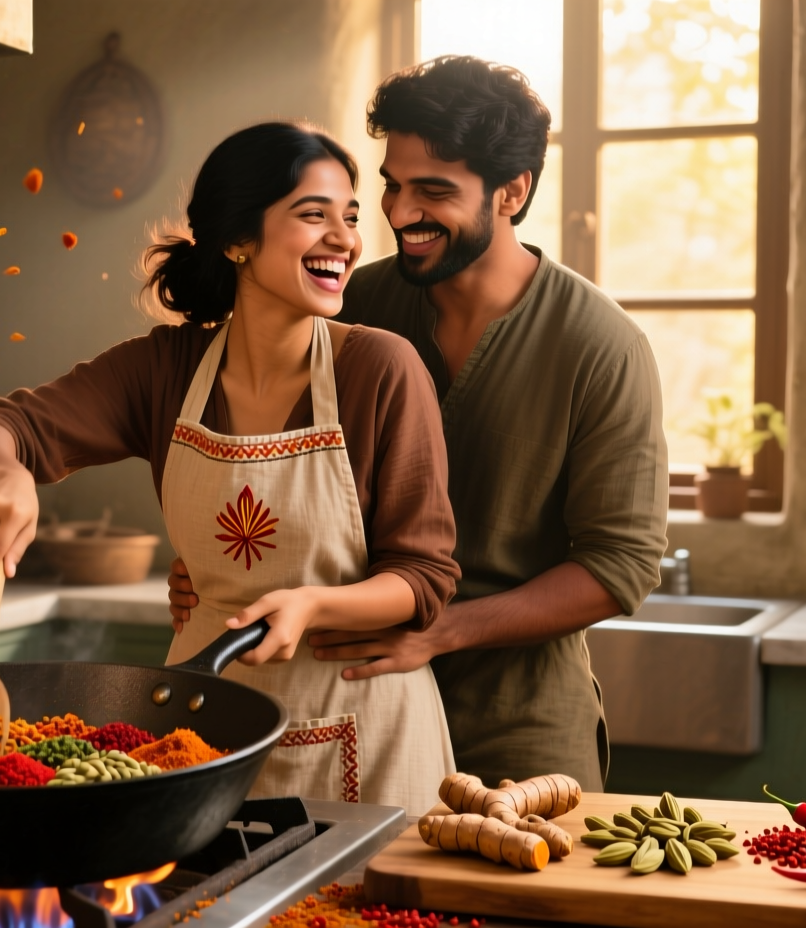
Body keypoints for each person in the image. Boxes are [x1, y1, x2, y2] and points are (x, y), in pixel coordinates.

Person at [170, 57, 669, 792]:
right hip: (352, 704)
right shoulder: (351, 303)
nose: (400, 214)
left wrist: (445, 629)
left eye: (434, 191)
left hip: (519, 728)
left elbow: (620, 564)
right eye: (392, 186)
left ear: (513, 192)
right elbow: (262, 444)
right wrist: (214, 565)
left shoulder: (600, 344)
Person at [0, 122, 460, 815]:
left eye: (350, 217)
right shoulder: (163, 369)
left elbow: (425, 577)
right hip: (199, 727)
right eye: (314, 215)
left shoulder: (379, 367)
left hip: (364, 727)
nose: (345, 239)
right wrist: (4, 474)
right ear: (236, 240)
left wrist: (312, 604)